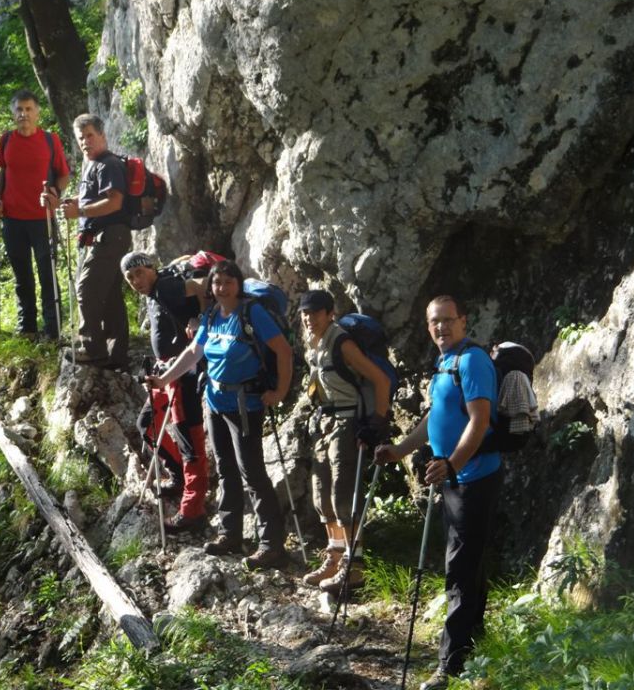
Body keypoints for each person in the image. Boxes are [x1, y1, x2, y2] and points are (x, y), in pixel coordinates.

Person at [375, 295, 501, 690]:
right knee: (468, 564)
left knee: (458, 569)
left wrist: (453, 464)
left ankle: (450, 665)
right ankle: (472, 644)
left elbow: (479, 421)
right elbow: (435, 418)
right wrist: (400, 449)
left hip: (473, 478)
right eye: (434, 322)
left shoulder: (473, 361)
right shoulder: (445, 364)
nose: (441, 328)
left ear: (464, 321)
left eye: (448, 320)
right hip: (454, 479)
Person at [148, 259, 292, 570]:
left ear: (238, 285)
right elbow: (193, 353)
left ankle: (271, 544)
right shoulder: (212, 315)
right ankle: (231, 534)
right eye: (216, 283)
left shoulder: (252, 313)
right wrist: (164, 379)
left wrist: (280, 392)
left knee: (251, 472)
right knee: (226, 469)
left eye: (228, 282)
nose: (222, 288)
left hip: (245, 404)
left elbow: (283, 350)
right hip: (215, 400)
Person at [298, 289, 390, 594]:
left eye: (315, 313)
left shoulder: (342, 342)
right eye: (305, 313)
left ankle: (354, 567)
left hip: (347, 424)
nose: (309, 318)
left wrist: (376, 422)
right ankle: (335, 557)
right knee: (321, 495)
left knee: (343, 495)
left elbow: (381, 380)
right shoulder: (314, 343)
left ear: (329, 313)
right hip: (324, 424)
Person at [121, 251, 210, 531]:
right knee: (147, 424)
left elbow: (201, 286)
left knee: (190, 441)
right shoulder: (158, 288)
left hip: (182, 373)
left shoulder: (167, 286)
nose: (136, 280)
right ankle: (180, 477)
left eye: (140, 273)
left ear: (152, 268)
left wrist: (203, 319)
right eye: (130, 277)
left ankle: (193, 511)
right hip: (164, 372)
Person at [0, 89, 70, 340]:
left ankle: (53, 329)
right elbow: (2, 172)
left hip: (42, 218)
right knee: (22, 276)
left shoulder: (50, 140)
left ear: (37, 113)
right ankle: (27, 328)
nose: (23, 114)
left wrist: (54, 194)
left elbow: (64, 174)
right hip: (13, 219)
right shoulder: (6, 140)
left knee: (47, 274)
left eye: (28, 109)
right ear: (13, 113)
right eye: (19, 109)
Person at [58, 114, 131, 369]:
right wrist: (74, 204)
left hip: (110, 236)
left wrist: (79, 212)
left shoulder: (108, 163)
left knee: (86, 288)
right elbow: (93, 197)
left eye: (90, 135)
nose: (86, 142)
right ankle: (115, 354)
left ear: (102, 135)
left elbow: (115, 201)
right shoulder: (92, 165)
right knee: (109, 294)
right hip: (102, 237)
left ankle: (92, 348)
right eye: (81, 138)